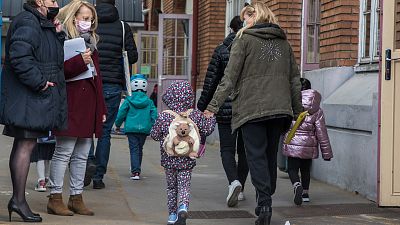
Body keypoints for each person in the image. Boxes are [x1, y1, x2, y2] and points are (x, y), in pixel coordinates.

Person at [203, 3, 303, 225]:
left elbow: (229, 77)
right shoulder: (283, 43)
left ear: (257, 16)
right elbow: (294, 79)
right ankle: (266, 196)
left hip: (252, 108)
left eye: (248, 16)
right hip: (279, 109)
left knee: (255, 155)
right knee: (268, 156)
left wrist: (213, 106)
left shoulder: (243, 39)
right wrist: (297, 110)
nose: (244, 21)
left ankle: (264, 204)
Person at [0, 0, 66, 222]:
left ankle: (18, 200)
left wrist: (56, 33)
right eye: (52, 0)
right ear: (39, 1)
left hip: (31, 98)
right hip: (28, 97)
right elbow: (19, 58)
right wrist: (40, 82)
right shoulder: (29, 22)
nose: (56, 3)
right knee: (25, 145)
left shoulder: (39, 22)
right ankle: (18, 200)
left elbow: (50, 56)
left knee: (26, 145)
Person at [47, 0, 107, 216]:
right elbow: (56, 72)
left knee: (82, 154)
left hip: (88, 104)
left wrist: (101, 109)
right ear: (73, 18)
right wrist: (79, 61)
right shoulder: (61, 38)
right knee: (64, 152)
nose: (88, 23)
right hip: (70, 104)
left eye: (90, 19)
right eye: (84, 18)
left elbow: (98, 79)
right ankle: (54, 197)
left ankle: (76, 196)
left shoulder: (92, 43)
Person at [197, 15, 249, 208]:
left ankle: (233, 181)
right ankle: (241, 187)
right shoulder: (251, 48)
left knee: (227, 149)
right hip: (247, 108)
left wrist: (202, 107)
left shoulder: (221, 50)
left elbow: (211, 81)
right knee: (245, 151)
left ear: (231, 29)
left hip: (225, 107)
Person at [87, 0, 139, 190]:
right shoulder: (123, 27)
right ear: (114, 4)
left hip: (89, 82)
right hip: (113, 86)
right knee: (105, 131)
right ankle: (99, 177)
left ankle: (89, 161)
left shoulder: (89, 22)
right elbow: (133, 57)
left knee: (87, 129)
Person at [151, 81, 216, 225]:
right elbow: (207, 129)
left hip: (168, 159)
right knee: (184, 185)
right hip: (188, 159)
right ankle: (183, 207)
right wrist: (211, 117)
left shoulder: (164, 116)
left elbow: (154, 135)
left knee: (171, 187)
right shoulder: (195, 115)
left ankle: (172, 216)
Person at [282, 78, 333, 205]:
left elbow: (284, 124)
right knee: (305, 169)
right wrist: (326, 153)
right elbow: (322, 133)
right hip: (309, 145)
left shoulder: (291, 104)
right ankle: (305, 193)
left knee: (292, 169)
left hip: (293, 142)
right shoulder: (317, 110)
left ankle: (296, 184)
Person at [114, 74, 158, 180]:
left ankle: (135, 171)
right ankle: (137, 168)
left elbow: (121, 114)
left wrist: (118, 125)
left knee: (134, 149)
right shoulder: (149, 102)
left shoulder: (128, 101)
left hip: (131, 129)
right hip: (144, 129)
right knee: (139, 148)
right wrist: (153, 125)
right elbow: (154, 115)